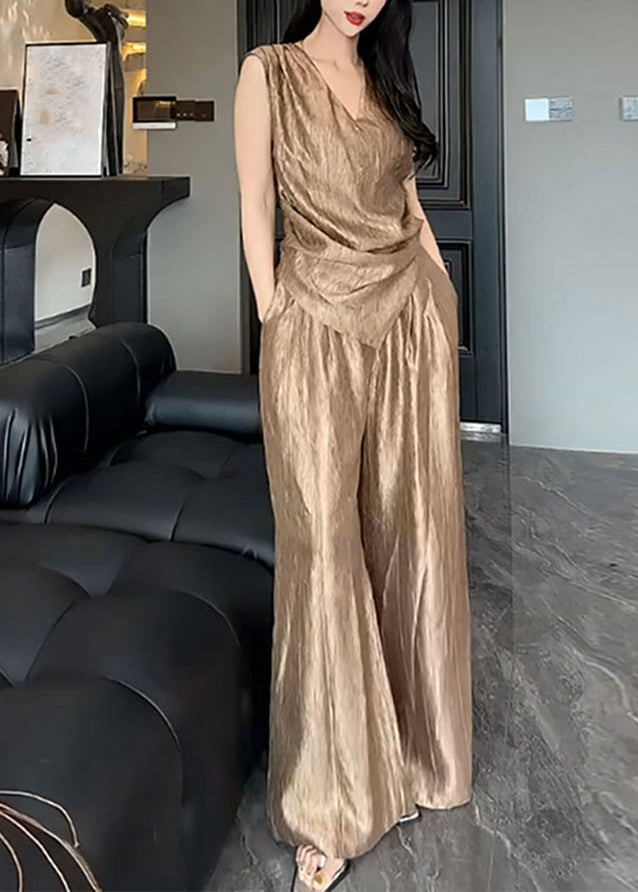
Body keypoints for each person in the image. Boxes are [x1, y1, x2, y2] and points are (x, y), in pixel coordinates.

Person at [234, 1, 473, 889]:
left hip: (407, 318)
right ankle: (332, 803)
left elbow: (408, 205)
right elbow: (256, 200)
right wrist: (273, 308)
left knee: (411, 530)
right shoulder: (268, 73)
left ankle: (410, 756)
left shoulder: (386, 78)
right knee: (323, 547)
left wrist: (442, 294)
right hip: (313, 327)